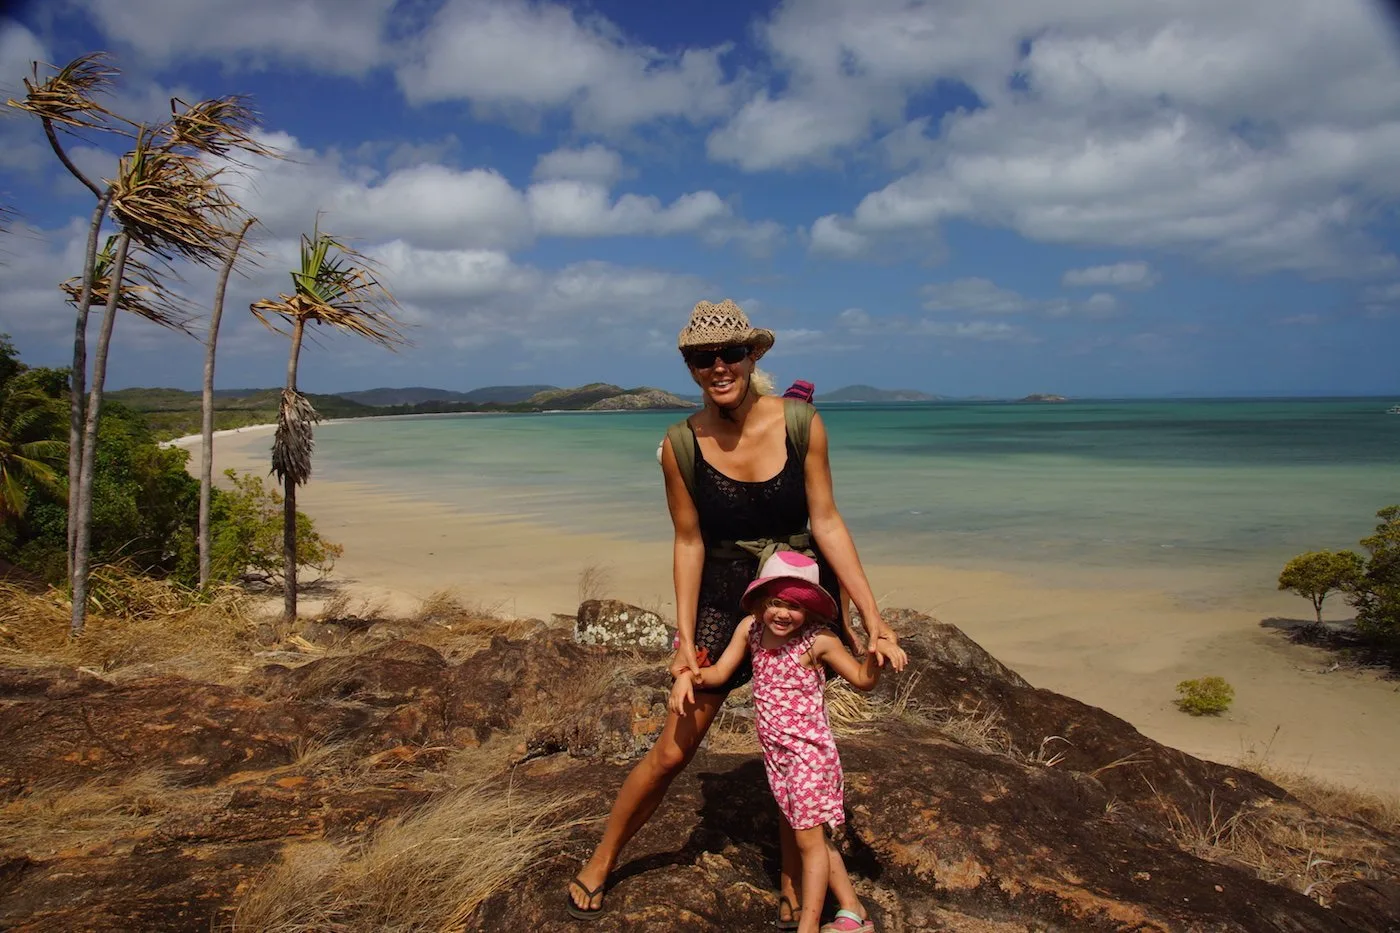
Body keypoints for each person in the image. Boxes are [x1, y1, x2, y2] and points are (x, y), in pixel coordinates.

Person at [567, 298, 907, 924]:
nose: (719, 366)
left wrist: (871, 618)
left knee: (792, 737)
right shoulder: (680, 445)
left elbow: (827, 522)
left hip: (797, 596)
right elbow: (688, 542)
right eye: (704, 359)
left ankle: (792, 881)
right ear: (691, 368)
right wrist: (683, 643)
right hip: (725, 599)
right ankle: (603, 859)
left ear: (752, 356)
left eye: (731, 353)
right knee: (674, 750)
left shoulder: (802, 424)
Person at [669, 550, 881, 933]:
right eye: (777, 603)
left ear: (809, 610)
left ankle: (809, 926)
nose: (783, 613)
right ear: (763, 601)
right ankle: (853, 911)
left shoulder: (818, 641)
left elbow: (862, 680)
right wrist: (687, 676)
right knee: (814, 838)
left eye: (795, 606)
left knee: (808, 845)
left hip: (808, 758)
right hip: (777, 757)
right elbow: (719, 673)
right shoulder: (749, 629)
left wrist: (874, 655)